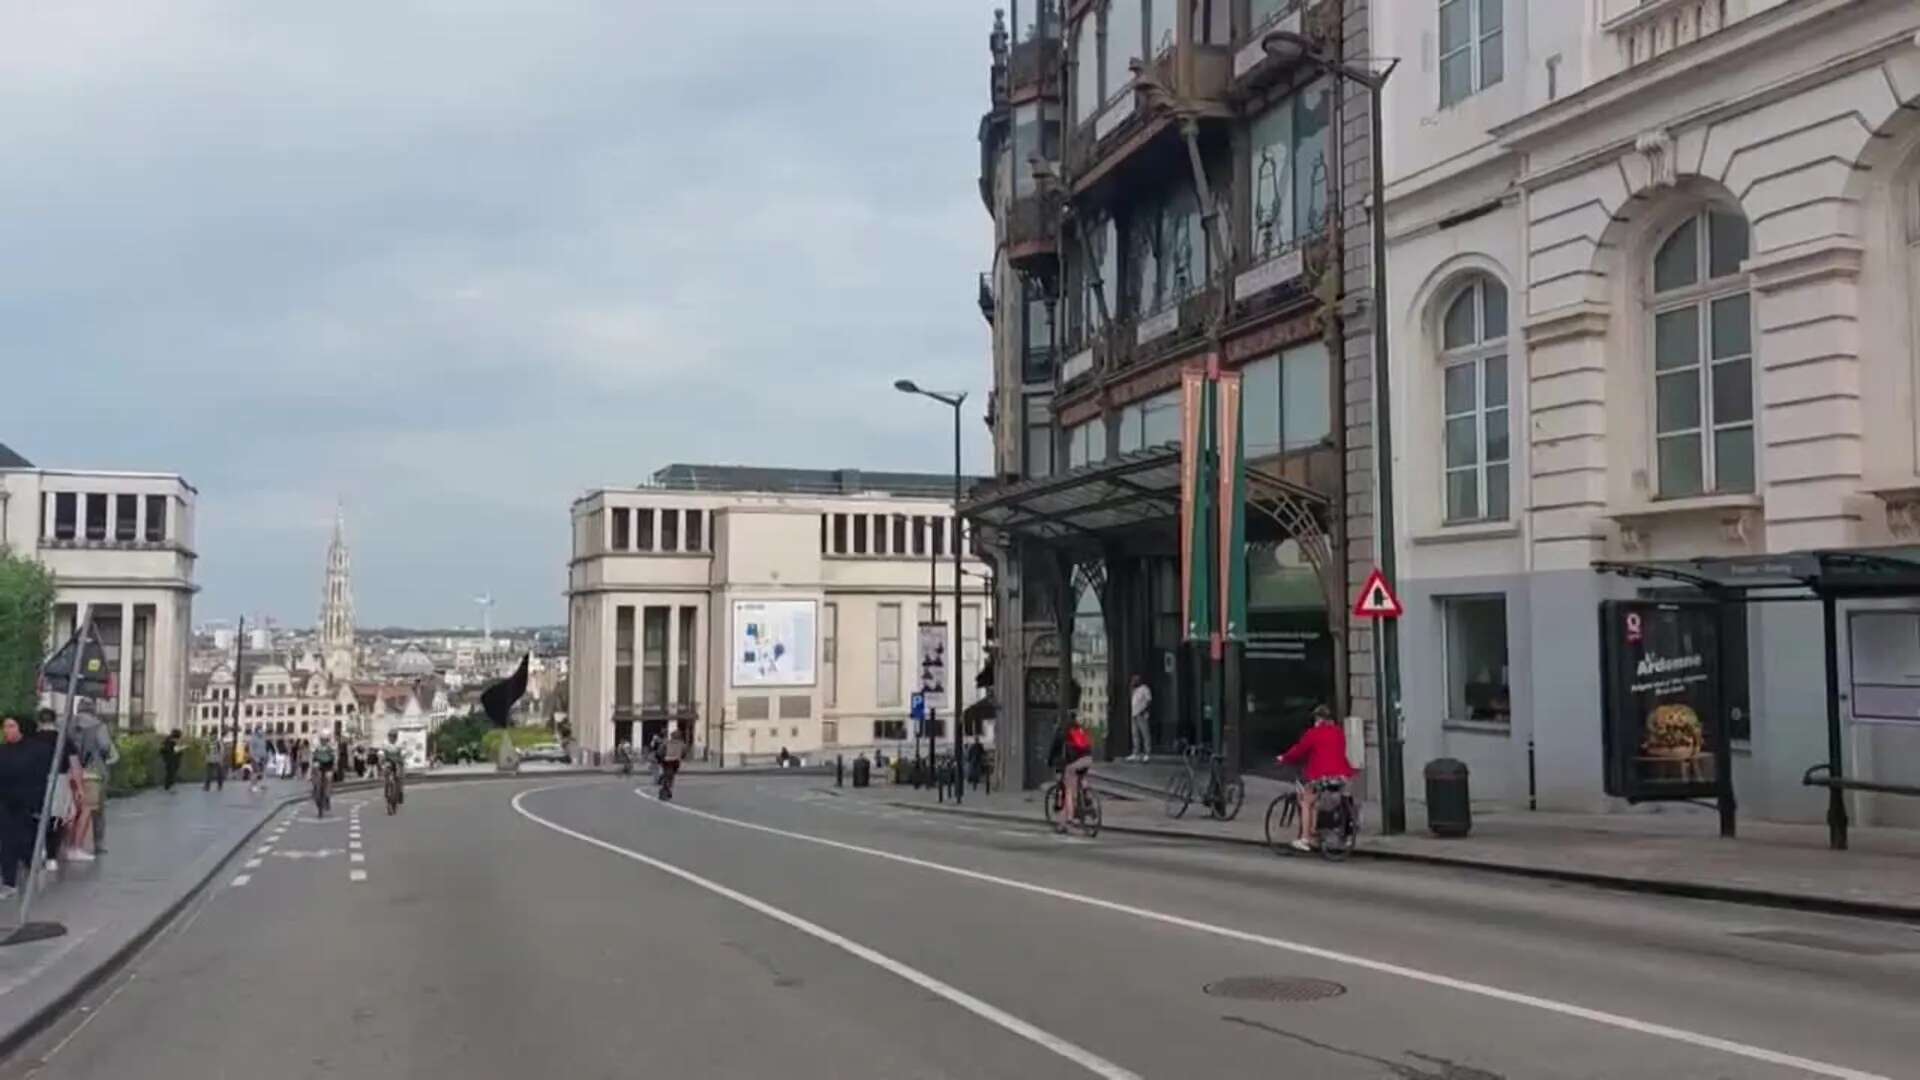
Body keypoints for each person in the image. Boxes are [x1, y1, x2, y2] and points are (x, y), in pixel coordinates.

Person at [1277, 705, 1355, 852]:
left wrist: (1284, 758)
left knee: (1305, 801)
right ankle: (1314, 834)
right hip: (1341, 777)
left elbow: (1299, 750)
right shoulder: (1338, 732)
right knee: (1316, 801)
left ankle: (1305, 838)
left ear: (1318, 719)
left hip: (1322, 776)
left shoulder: (1314, 733)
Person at [0, 714, 53, 898]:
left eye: (11, 726)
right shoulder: (2, 751)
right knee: (6, 843)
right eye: (5, 727)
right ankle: (9, 882)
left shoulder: (38, 750)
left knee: (25, 841)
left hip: (28, 803)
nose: (7, 731)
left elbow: (43, 776)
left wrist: (38, 801)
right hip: (5, 803)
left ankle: (32, 863)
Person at [71, 701, 118, 854]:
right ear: (93, 710)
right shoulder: (99, 726)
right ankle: (98, 844)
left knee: (70, 809)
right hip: (93, 771)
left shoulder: (66, 723)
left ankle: (66, 844)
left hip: (71, 771)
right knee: (95, 810)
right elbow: (105, 746)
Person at [1047, 715, 1094, 833]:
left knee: (1068, 790)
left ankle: (1070, 818)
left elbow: (1053, 751)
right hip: (1087, 760)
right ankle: (1087, 795)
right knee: (1080, 776)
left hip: (1074, 763)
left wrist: (1050, 763)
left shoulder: (1061, 733)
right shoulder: (1079, 730)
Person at [1128, 674, 1153, 762]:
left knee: (1145, 734)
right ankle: (1136, 753)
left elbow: (1149, 700)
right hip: (1134, 714)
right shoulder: (1134, 690)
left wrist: (1144, 710)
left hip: (1141, 714)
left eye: (1135, 680)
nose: (1133, 682)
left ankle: (1147, 753)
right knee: (1135, 734)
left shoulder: (1144, 689)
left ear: (1139, 681)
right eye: (1133, 680)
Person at [310, 735, 337, 815]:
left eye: (325, 740)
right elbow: (313, 758)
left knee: (328, 780)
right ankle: (316, 793)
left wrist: (334, 767)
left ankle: (327, 797)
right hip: (319, 766)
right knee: (316, 780)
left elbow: (334, 758)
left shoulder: (330, 749)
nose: (323, 742)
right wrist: (312, 768)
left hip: (328, 767)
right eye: (322, 740)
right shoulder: (317, 748)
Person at [658, 728, 685, 800]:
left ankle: (665, 786)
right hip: (676, 762)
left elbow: (660, 751)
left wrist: (661, 759)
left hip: (666, 761)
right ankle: (668, 788)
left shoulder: (666, 742)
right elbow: (684, 753)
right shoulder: (681, 744)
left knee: (666, 774)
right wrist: (680, 757)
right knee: (671, 775)